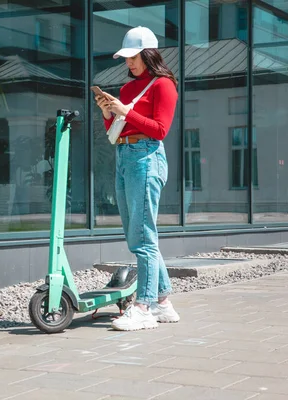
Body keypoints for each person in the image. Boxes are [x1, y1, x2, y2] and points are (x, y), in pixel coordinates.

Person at [95, 26, 180, 331]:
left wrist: (125, 112)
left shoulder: (164, 85)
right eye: (125, 57)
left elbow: (159, 130)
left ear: (148, 54)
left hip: (147, 157)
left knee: (143, 236)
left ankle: (143, 307)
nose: (128, 63)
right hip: (124, 155)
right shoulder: (128, 89)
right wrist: (109, 112)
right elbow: (116, 129)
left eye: (133, 57)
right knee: (138, 236)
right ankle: (164, 303)